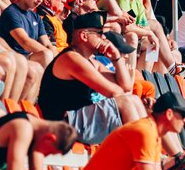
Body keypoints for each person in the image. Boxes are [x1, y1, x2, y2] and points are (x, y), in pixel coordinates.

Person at [38, 10, 146, 144]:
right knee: (126, 102)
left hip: (79, 119)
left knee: (133, 99)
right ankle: (141, 150)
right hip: (63, 124)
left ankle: (148, 149)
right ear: (84, 35)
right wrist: (121, 93)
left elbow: (126, 87)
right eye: (99, 33)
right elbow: (114, 92)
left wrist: (117, 58)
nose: (104, 38)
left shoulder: (91, 61)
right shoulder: (70, 58)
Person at [0, 0, 56, 68]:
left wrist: (57, 59)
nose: (40, 0)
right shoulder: (11, 13)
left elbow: (47, 44)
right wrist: (49, 53)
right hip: (13, 58)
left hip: (28, 58)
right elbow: (25, 42)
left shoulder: (36, 17)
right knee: (46, 55)